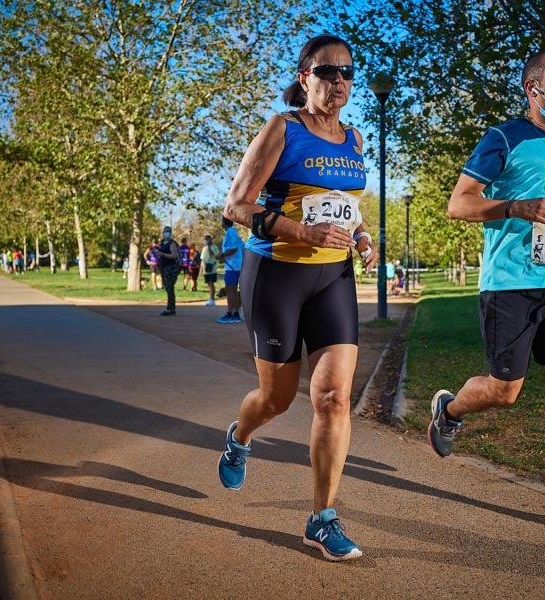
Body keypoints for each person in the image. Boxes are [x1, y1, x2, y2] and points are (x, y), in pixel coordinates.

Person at [431, 49, 545, 537]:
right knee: (505, 391)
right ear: (533, 88)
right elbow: (459, 204)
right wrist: (519, 205)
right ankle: (449, 411)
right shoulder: (504, 137)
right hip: (512, 284)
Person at [216, 34, 377, 561]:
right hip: (277, 277)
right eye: (328, 72)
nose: (339, 82)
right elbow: (237, 206)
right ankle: (241, 435)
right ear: (305, 76)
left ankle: (321, 518)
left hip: (334, 279)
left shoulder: (354, 140)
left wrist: (362, 236)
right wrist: (301, 233)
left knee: (332, 397)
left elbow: (345, 209)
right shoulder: (283, 129)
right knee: (277, 400)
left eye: (347, 72)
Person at [216, 217, 245, 324]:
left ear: (224, 222)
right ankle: (235, 313)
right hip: (235, 266)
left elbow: (233, 249)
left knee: (230, 290)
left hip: (233, 267)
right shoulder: (233, 232)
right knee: (233, 291)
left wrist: (221, 255)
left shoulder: (230, 232)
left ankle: (230, 313)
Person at [157, 226, 181, 316]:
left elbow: (174, 255)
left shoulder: (172, 243)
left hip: (171, 267)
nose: (167, 233)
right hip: (164, 266)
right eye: (165, 231)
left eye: (169, 231)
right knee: (167, 287)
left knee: (170, 287)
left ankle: (170, 308)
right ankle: (170, 307)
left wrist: (162, 254)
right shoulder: (162, 243)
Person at [200, 234, 220, 306]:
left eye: (207, 239)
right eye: (205, 239)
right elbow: (202, 260)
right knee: (208, 284)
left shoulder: (214, 247)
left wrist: (209, 246)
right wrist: (201, 270)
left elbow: (213, 255)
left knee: (211, 284)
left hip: (212, 269)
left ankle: (212, 299)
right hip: (206, 269)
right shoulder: (203, 248)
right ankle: (210, 298)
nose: (205, 241)